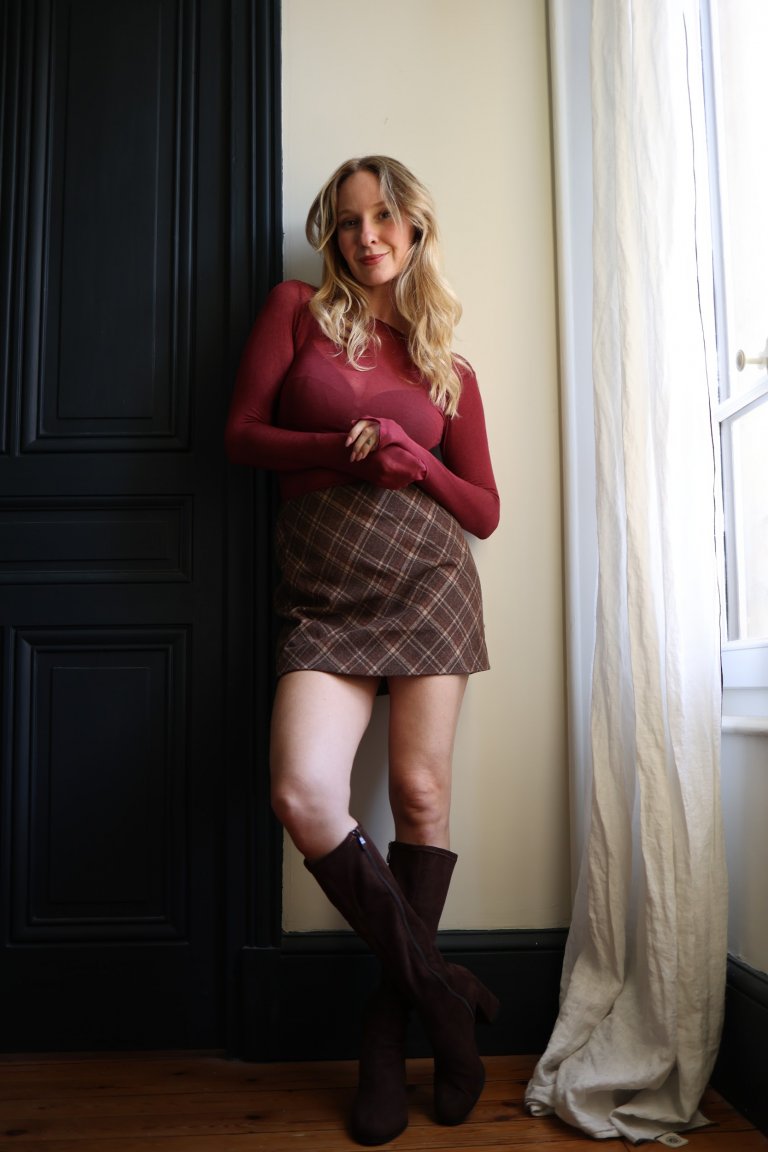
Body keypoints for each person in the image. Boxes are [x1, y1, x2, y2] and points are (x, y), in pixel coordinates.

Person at [225, 155, 500, 1146]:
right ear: (332, 237)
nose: (367, 236)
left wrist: (416, 457)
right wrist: (337, 450)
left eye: (384, 217)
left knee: (420, 795)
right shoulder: (295, 309)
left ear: (414, 229)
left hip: (428, 584)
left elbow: (484, 510)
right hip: (324, 592)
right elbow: (241, 435)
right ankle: (445, 998)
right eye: (348, 222)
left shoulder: (447, 366)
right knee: (302, 793)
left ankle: (386, 1035)